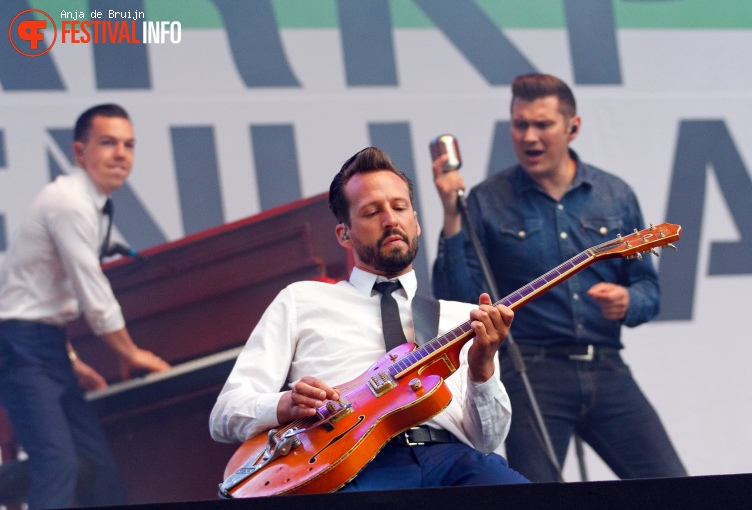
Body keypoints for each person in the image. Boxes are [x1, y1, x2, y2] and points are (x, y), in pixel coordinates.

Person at [210, 147, 529, 493]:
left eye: (400, 207)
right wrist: (286, 405)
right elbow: (225, 413)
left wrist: (482, 369)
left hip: (450, 459)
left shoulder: (461, 317)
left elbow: (487, 440)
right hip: (349, 464)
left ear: (417, 223)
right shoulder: (302, 299)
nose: (390, 219)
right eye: (372, 211)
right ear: (344, 234)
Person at [431, 73, 687, 482]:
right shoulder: (487, 200)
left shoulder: (614, 194)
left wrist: (628, 301)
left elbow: (649, 291)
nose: (529, 136)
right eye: (519, 124)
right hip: (532, 369)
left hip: (605, 364)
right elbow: (457, 300)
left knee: (676, 487)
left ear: (573, 127)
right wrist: (450, 213)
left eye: (542, 124)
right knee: (536, 494)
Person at [0, 104, 171, 509]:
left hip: (46, 345)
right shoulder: (69, 203)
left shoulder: (84, 203)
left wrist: (70, 358)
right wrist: (131, 352)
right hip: (20, 346)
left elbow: (48, 297)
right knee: (57, 464)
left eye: (128, 144)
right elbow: (92, 292)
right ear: (79, 152)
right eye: (108, 143)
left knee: (99, 468)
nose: (121, 154)